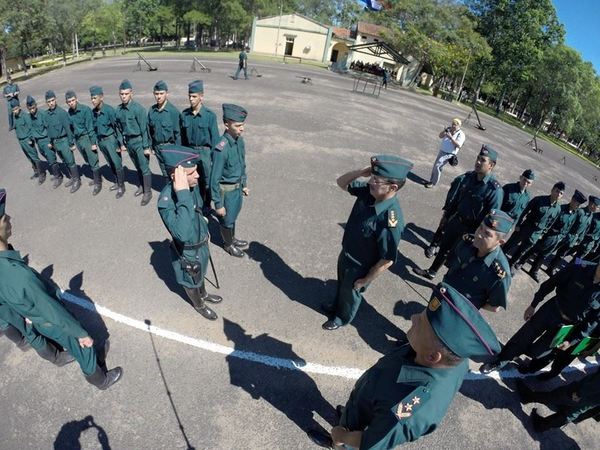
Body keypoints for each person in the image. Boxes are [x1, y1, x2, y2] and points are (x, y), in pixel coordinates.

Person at [308, 283, 501, 449]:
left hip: (365, 425)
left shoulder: (411, 407)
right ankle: (349, 418)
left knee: (348, 439)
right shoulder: (452, 358)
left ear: (433, 356)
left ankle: (335, 444)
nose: (414, 318)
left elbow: (373, 443)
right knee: (352, 415)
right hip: (367, 400)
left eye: (422, 324)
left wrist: (342, 437)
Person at [0, 189, 122, 389]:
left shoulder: (6, 265)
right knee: (82, 346)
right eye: (4, 218)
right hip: (51, 320)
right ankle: (101, 380)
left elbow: (4, 303)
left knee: (79, 342)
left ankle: (94, 359)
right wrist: (80, 333)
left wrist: (24, 313)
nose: (9, 219)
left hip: (37, 316)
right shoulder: (18, 275)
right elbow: (52, 310)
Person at [321, 155, 412, 331]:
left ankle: (341, 318)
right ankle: (335, 307)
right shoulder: (369, 192)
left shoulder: (391, 220)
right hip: (346, 253)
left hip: (360, 267)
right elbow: (341, 182)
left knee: (350, 294)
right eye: (372, 177)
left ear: (392, 187)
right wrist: (361, 172)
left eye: (376, 180)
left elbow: (387, 260)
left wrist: (366, 280)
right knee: (341, 285)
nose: (371, 181)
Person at [480, 259, 600, 374]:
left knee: (539, 352)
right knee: (524, 336)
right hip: (551, 310)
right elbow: (550, 283)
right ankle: (500, 361)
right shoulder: (578, 269)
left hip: (567, 326)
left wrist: (571, 341)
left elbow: (593, 322)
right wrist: (533, 305)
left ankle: (523, 357)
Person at [157, 145, 222, 321]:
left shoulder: (192, 188)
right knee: (191, 280)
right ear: (176, 177)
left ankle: (204, 293)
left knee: (201, 273)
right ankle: (199, 304)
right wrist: (183, 194)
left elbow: (198, 209)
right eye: (192, 173)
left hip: (201, 242)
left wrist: (205, 225)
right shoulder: (166, 201)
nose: (198, 175)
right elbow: (182, 234)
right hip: (188, 251)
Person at [422, 146, 503, 276]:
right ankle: (432, 272)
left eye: (482, 160)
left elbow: (492, 219)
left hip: (472, 230)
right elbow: (457, 200)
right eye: (478, 158)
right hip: (456, 221)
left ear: (491, 165)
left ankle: (448, 283)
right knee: (444, 248)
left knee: (459, 258)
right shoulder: (469, 177)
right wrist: (446, 216)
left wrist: (480, 235)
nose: (477, 162)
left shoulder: (494, 190)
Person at [414, 210, 513, 312]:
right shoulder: (467, 242)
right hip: (442, 293)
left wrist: (471, 303)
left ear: (500, 242)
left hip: (460, 311)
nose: (479, 234)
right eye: (480, 227)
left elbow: (494, 307)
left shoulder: (499, 274)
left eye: (487, 234)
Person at [516, 190, 585, 282]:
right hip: (549, 235)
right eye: (575, 201)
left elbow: (571, 226)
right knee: (535, 249)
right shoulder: (561, 209)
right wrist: (546, 232)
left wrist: (562, 236)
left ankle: (534, 270)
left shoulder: (575, 214)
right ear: (572, 199)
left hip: (558, 239)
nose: (575, 204)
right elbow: (550, 221)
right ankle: (521, 262)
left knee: (544, 254)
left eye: (577, 204)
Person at [210, 103, 249, 258]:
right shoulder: (222, 148)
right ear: (226, 124)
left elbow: (242, 164)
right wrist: (218, 204)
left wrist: (244, 184)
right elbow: (214, 179)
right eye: (238, 125)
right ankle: (228, 245)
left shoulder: (239, 141)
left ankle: (232, 238)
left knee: (233, 216)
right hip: (226, 192)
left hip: (237, 189)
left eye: (243, 125)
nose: (242, 128)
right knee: (226, 220)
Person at [504, 181, 564, 275]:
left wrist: (542, 232)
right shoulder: (539, 200)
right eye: (557, 191)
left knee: (521, 251)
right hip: (526, 227)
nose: (558, 194)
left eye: (561, 193)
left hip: (536, 234)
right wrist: (518, 225)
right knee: (510, 244)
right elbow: (524, 211)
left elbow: (550, 222)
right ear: (552, 190)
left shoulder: (558, 209)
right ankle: (499, 258)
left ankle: (510, 264)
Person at [514, 370, 600, 432]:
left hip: (589, 390)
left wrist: (580, 392)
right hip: (594, 395)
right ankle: (542, 425)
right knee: (572, 411)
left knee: (559, 396)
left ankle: (528, 396)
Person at [180, 80, 220, 210]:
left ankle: (207, 205)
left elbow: (215, 140)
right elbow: (182, 138)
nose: (191, 99)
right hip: (190, 152)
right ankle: (196, 204)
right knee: (192, 180)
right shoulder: (184, 115)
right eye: (189, 96)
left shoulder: (210, 116)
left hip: (205, 153)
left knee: (207, 181)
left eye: (194, 96)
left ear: (201, 97)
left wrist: (215, 159)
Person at [115, 79, 153, 206]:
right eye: (121, 94)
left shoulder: (138, 109)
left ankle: (147, 192)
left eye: (126, 94)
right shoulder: (118, 111)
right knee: (137, 166)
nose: (124, 96)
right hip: (129, 143)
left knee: (144, 167)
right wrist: (121, 143)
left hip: (139, 141)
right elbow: (118, 128)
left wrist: (146, 147)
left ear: (131, 93)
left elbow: (144, 130)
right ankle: (142, 186)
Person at [547, 196, 599, 274]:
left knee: (573, 259)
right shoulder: (582, 212)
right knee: (554, 250)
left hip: (583, 243)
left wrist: (594, 245)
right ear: (592, 205)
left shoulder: (590, 215)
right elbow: (571, 224)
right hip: (571, 237)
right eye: (597, 207)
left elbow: (586, 230)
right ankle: (543, 261)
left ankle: (560, 271)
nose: (597, 208)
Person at [90, 85, 126, 199]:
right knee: (110, 163)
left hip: (111, 140)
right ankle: (116, 182)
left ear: (101, 97)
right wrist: (95, 142)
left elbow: (117, 128)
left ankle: (121, 186)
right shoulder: (93, 112)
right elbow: (94, 129)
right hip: (102, 142)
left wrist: (119, 143)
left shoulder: (109, 110)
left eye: (95, 98)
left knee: (117, 163)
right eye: (91, 98)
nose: (92, 100)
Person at [66, 90, 102, 195]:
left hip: (87, 138)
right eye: (69, 101)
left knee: (93, 161)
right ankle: (97, 178)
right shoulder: (70, 112)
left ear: (76, 99)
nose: (71, 103)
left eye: (73, 100)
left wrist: (93, 143)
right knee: (88, 160)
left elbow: (90, 128)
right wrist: (72, 142)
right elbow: (71, 128)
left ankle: (98, 183)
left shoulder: (85, 110)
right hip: (78, 140)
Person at [45, 90, 81, 193]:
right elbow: (48, 129)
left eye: (52, 100)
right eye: (49, 101)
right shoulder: (47, 115)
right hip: (55, 143)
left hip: (64, 141)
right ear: (46, 103)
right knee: (64, 161)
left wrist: (71, 143)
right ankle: (72, 178)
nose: (51, 103)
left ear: (55, 100)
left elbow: (68, 130)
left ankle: (77, 180)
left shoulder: (62, 113)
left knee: (70, 161)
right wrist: (50, 142)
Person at [147, 80, 180, 178]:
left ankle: (175, 192)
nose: (159, 96)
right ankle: (168, 191)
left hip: (170, 148)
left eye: (161, 93)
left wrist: (178, 152)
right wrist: (151, 146)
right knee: (165, 173)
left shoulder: (173, 112)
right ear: (153, 94)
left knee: (174, 173)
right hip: (158, 148)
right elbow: (149, 130)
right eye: (156, 94)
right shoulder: (152, 111)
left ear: (167, 93)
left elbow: (178, 134)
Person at [27, 95, 61, 188]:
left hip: (46, 140)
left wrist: (50, 141)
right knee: (47, 157)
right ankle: (56, 174)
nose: (32, 110)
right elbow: (30, 129)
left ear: (36, 105)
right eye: (30, 109)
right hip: (38, 142)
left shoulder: (43, 114)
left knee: (51, 159)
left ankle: (58, 176)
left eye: (33, 108)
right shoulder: (29, 117)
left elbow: (49, 128)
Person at [10, 97, 45, 183]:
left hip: (27, 140)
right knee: (29, 157)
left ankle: (42, 174)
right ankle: (36, 171)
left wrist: (30, 139)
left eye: (16, 109)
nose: (15, 111)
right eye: (13, 110)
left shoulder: (25, 116)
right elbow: (15, 127)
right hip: (21, 140)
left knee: (34, 157)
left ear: (19, 107)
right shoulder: (15, 116)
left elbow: (31, 128)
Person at [424, 118, 465, 188]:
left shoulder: (461, 134)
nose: (453, 126)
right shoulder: (449, 129)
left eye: (455, 125)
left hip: (449, 154)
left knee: (438, 166)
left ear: (459, 126)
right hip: (442, 151)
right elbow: (440, 136)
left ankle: (433, 183)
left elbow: (458, 145)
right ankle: (432, 180)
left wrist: (451, 137)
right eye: (452, 124)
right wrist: (444, 131)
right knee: (436, 166)